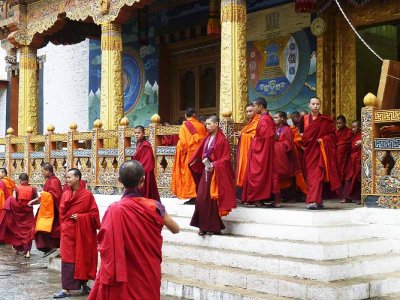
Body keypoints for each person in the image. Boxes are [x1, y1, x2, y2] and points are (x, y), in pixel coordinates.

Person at [89, 160, 180, 300]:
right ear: (142, 180)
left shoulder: (114, 210)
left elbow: (105, 243)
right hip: (147, 271)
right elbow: (176, 229)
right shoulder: (154, 207)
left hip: (122, 274)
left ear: (119, 180)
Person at [53, 168, 100, 299]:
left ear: (78, 178)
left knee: (82, 257)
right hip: (68, 232)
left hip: (82, 233)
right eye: (66, 178)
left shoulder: (87, 195)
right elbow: (62, 214)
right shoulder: (65, 195)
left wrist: (81, 217)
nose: (67, 180)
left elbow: (94, 215)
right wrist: (63, 227)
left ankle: (84, 285)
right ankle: (66, 289)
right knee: (67, 259)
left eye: (69, 177)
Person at [189, 115, 236, 235]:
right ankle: (203, 226)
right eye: (206, 124)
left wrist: (214, 164)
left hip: (215, 173)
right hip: (206, 171)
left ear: (216, 124)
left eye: (210, 124)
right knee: (201, 198)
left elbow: (226, 159)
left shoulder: (222, 140)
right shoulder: (207, 137)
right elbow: (201, 153)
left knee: (212, 200)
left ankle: (213, 227)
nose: (207, 126)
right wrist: (195, 161)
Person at [302, 97, 340, 209]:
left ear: (320, 105)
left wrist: (323, 140)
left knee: (317, 176)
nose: (315, 106)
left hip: (320, 151)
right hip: (308, 152)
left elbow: (333, 136)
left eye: (317, 104)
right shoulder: (303, 119)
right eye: (313, 104)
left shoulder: (325, 120)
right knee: (310, 177)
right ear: (309, 105)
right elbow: (300, 135)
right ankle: (317, 200)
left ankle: (312, 200)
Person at [242, 97, 281, 207]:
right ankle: (262, 198)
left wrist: (255, 147)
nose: (253, 109)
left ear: (260, 106)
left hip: (261, 152)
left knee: (256, 174)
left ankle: (257, 198)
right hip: (264, 150)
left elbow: (265, 139)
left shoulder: (264, 120)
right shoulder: (266, 118)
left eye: (254, 106)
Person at [172, 108, 207, 203]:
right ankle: (199, 194)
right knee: (199, 175)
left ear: (185, 116)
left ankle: (193, 195)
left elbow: (183, 143)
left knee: (190, 175)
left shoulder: (185, 126)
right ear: (195, 115)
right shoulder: (201, 125)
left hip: (189, 155)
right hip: (200, 154)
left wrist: (178, 147)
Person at [0, 173, 37, 258]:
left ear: (20, 181)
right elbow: (38, 200)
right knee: (28, 232)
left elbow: (13, 201)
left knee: (17, 230)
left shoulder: (16, 189)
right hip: (28, 214)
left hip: (18, 215)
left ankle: (17, 248)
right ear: (28, 180)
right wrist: (30, 203)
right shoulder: (33, 189)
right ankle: (27, 252)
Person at [29, 162, 63, 254]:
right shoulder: (50, 180)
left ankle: (51, 247)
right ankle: (49, 248)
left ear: (48, 171)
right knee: (41, 229)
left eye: (43, 171)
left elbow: (55, 195)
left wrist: (40, 199)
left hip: (52, 211)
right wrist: (36, 200)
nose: (42, 173)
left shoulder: (54, 181)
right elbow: (46, 195)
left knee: (44, 229)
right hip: (46, 209)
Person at [273, 112, 300, 201]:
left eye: (276, 118)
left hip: (286, 156)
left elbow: (289, 144)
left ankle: (290, 196)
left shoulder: (287, 129)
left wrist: (278, 144)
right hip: (277, 156)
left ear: (282, 119)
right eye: (274, 118)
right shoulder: (275, 128)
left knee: (288, 176)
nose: (275, 119)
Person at [132, 125, 160, 201]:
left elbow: (147, 160)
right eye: (135, 133)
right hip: (139, 170)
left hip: (145, 171)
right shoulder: (138, 143)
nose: (137, 134)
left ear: (143, 133)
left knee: (146, 190)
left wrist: (139, 169)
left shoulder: (146, 145)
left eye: (139, 133)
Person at [235, 103, 260, 188]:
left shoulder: (258, 121)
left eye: (250, 111)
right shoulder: (250, 122)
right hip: (247, 150)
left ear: (256, 110)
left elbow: (256, 137)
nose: (248, 113)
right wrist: (241, 135)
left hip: (254, 152)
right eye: (247, 112)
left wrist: (243, 136)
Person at [342, 120, 362, 204]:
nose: (352, 129)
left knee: (357, 177)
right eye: (352, 127)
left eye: (354, 127)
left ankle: (360, 198)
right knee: (349, 177)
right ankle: (347, 197)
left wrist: (362, 142)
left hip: (359, 159)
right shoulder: (354, 136)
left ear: (360, 127)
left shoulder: (362, 135)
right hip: (352, 159)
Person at [335, 115, 353, 196]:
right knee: (337, 174)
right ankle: (338, 194)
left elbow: (348, 142)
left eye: (340, 123)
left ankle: (345, 195)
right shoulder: (336, 132)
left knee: (345, 174)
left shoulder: (349, 131)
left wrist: (339, 145)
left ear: (345, 123)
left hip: (346, 156)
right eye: (337, 123)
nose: (338, 125)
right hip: (337, 157)